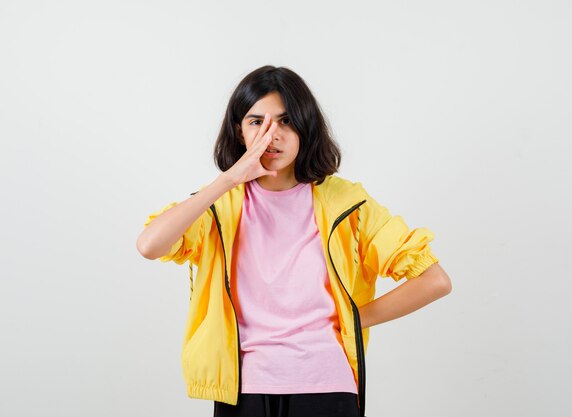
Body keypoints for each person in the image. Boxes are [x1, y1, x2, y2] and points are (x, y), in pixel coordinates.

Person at [136, 65, 452, 417]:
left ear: (306, 127)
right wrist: (228, 180)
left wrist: (350, 319)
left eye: (285, 121)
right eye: (257, 122)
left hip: (326, 384)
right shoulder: (218, 206)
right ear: (239, 132)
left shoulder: (348, 204)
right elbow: (150, 245)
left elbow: (434, 281)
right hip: (242, 387)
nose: (272, 135)